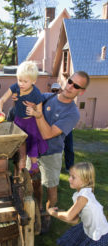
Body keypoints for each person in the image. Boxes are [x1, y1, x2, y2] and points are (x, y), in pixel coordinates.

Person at [25, 71, 90, 231]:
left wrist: (38, 115)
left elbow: (47, 134)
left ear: (81, 92)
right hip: (33, 151)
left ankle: (48, 216)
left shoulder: (72, 113)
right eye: (70, 81)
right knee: (34, 183)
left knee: (51, 187)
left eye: (76, 86)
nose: (70, 87)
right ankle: (39, 208)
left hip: (51, 155)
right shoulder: (48, 97)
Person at [47, 162, 108, 246]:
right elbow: (74, 218)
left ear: (85, 180)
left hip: (98, 235)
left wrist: (53, 213)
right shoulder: (81, 193)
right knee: (71, 241)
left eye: (73, 177)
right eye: (70, 175)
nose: (69, 179)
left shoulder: (83, 197)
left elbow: (69, 217)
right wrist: (65, 216)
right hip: (87, 227)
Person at [0, 61, 48, 175]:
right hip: (18, 121)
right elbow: (2, 100)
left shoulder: (36, 93)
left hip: (30, 122)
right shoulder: (15, 87)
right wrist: (0, 111)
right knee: (20, 143)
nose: (21, 84)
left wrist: (34, 113)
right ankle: (20, 164)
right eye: (19, 80)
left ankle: (34, 165)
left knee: (32, 142)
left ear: (33, 81)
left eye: (25, 81)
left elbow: (40, 113)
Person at [50, 83, 75, 172]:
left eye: (57, 90)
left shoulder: (68, 100)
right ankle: (54, 167)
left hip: (66, 129)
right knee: (55, 149)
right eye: (54, 90)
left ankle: (69, 167)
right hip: (55, 129)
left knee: (69, 148)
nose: (55, 92)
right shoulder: (49, 101)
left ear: (61, 90)